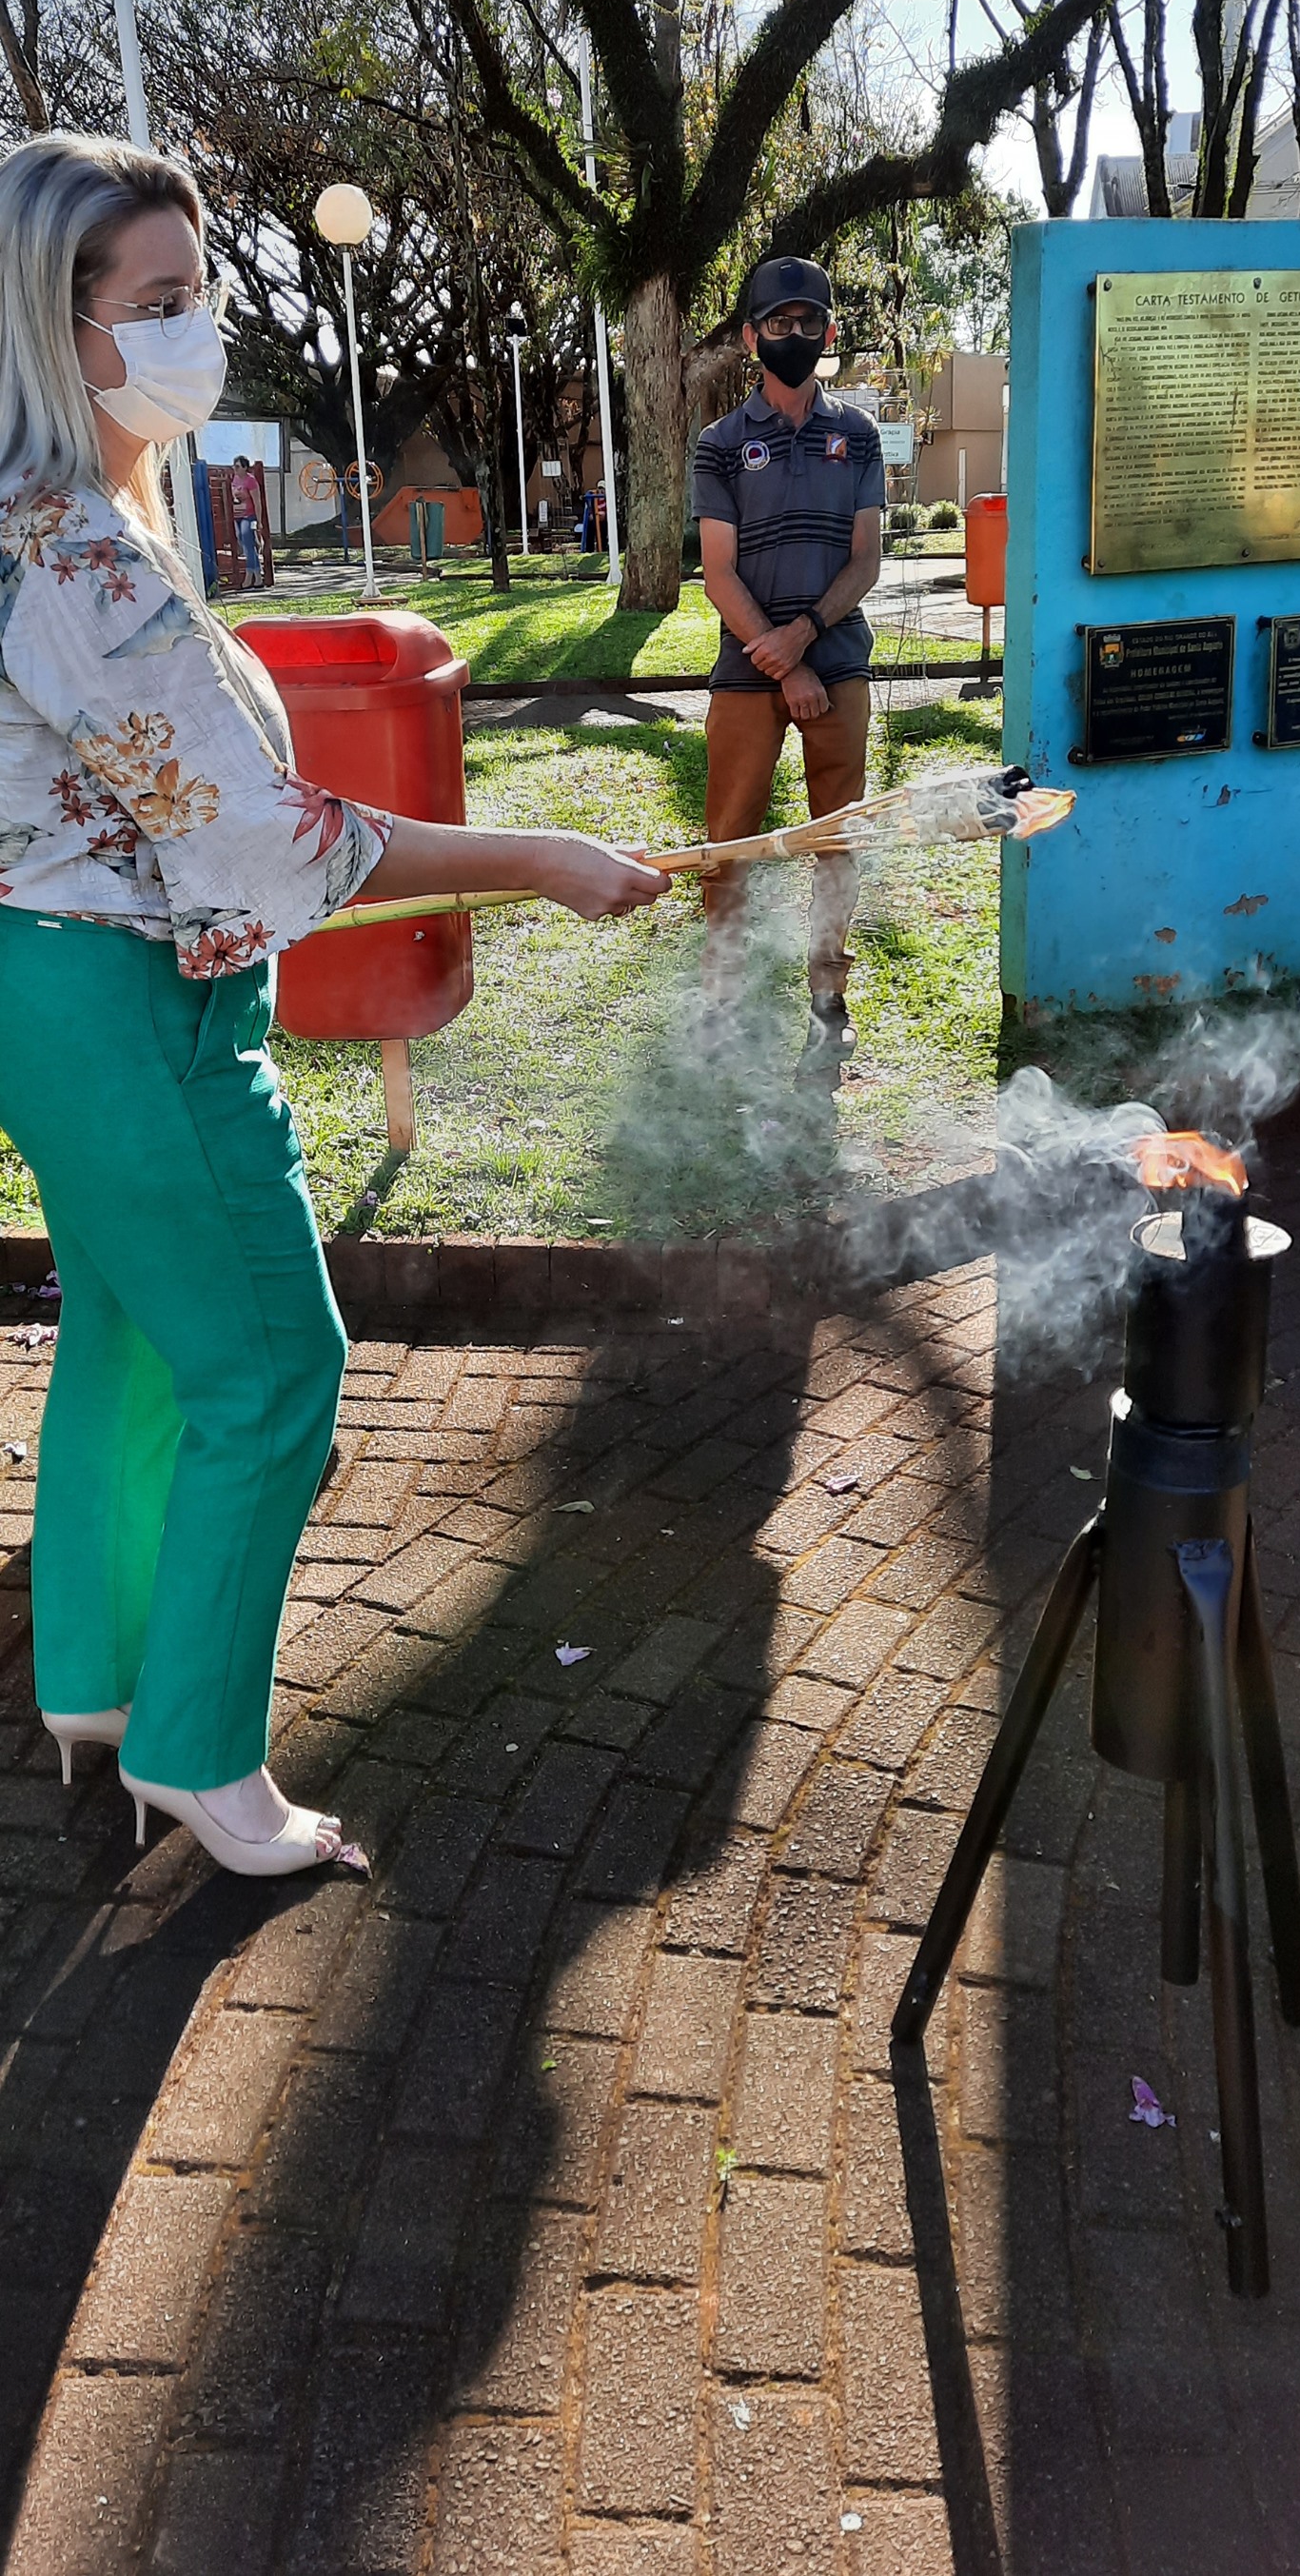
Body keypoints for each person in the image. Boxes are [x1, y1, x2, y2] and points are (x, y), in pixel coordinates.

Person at [0, 133, 667, 1878]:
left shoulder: (47, 528)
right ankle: (201, 1756)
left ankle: (94, 1684)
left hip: (51, 995)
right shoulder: (77, 553)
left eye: (199, 292)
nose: (198, 330)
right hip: (131, 1007)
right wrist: (538, 857)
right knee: (275, 1367)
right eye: (160, 301)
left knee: (131, 1326)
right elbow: (265, 836)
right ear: (60, 327)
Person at [692, 254, 885, 1063]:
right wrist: (783, 663)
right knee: (727, 842)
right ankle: (721, 997)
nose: (794, 334)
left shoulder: (858, 435)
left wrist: (804, 637)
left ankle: (827, 997)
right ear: (750, 337)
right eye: (778, 322)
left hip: (837, 667)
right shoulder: (719, 445)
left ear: (828, 332)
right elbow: (718, 572)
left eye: (808, 320)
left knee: (836, 838)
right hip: (748, 671)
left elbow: (865, 559)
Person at [229, 452, 262, 588]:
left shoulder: (250, 481)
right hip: (237, 515)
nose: (235, 469)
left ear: (244, 467)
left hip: (249, 516)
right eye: (234, 466)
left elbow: (257, 502)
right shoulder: (235, 479)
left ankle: (249, 576)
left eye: (237, 466)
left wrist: (259, 521)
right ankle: (258, 575)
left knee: (248, 544)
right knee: (245, 544)